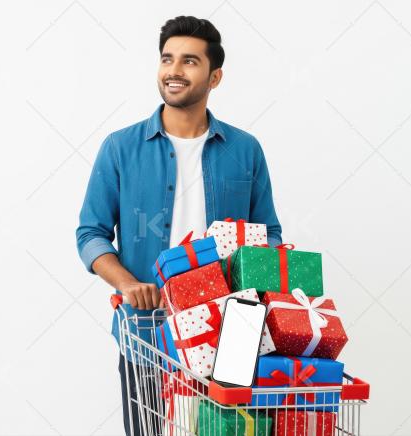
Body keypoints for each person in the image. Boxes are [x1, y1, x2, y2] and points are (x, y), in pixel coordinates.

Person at [75, 15, 283, 435]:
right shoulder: (120, 148)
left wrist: (267, 276)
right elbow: (91, 234)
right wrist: (128, 284)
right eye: (167, 59)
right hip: (148, 330)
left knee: (225, 431)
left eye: (190, 61)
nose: (174, 70)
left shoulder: (245, 150)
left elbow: (269, 233)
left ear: (215, 76)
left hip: (233, 331)